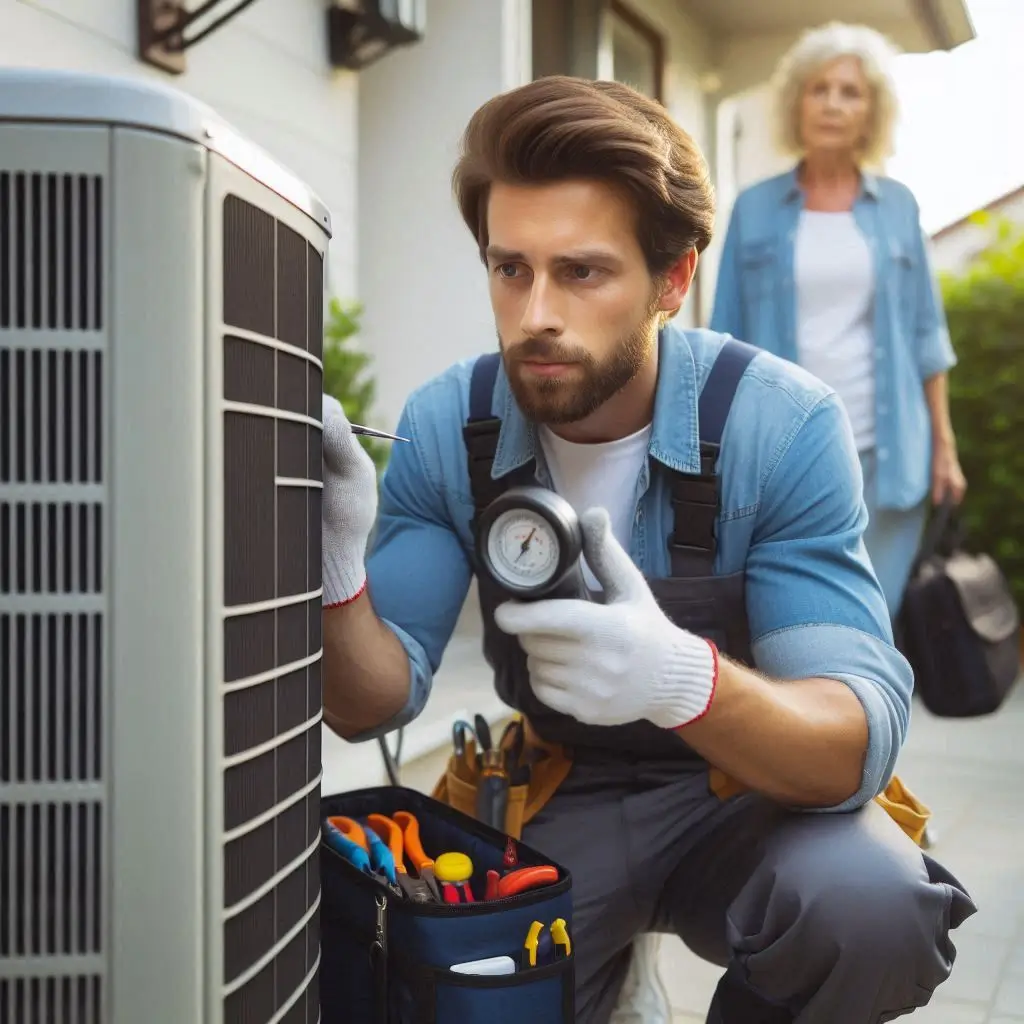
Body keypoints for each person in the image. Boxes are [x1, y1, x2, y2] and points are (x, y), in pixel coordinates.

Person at [320, 74, 975, 1023]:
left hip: (748, 797)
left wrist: (680, 678)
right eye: (510, 269)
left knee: (873, 910)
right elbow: (369, 704)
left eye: (581, 272)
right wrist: (337, 567)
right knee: (452, 986)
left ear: (672, 280)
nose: (535, 312)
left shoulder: (779, 426)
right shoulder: (450, 423)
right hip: (560, 787)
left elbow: (853, 744)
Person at [710, 22, 967, 619]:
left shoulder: (898, 207)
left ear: (872, 110)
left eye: (850, 91)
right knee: (801, 614)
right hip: (785, 448)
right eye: (819, 88)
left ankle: (873, 715)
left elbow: (928, 334)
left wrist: (944, 449)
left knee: (875, 615)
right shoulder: (755, 208)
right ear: (796, 101)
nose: (832, 103)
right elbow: (727, 334)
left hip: (889, 452)